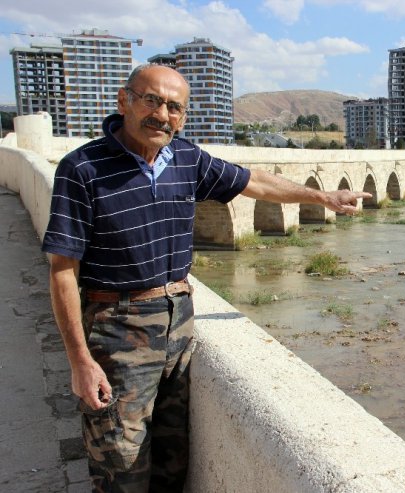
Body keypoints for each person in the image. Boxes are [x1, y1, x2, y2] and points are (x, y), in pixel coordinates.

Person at [42, 64, 369, 492]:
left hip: (179, 319)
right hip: (116, 327)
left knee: (171, 459)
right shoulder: (82, 169)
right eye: (151, 100)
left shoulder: (186, 158)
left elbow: (256, 184)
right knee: (119, 464)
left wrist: (323, 196)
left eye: (175, 107)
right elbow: (63, 271)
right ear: (124, 101)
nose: (162, 115)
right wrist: (80, 362)